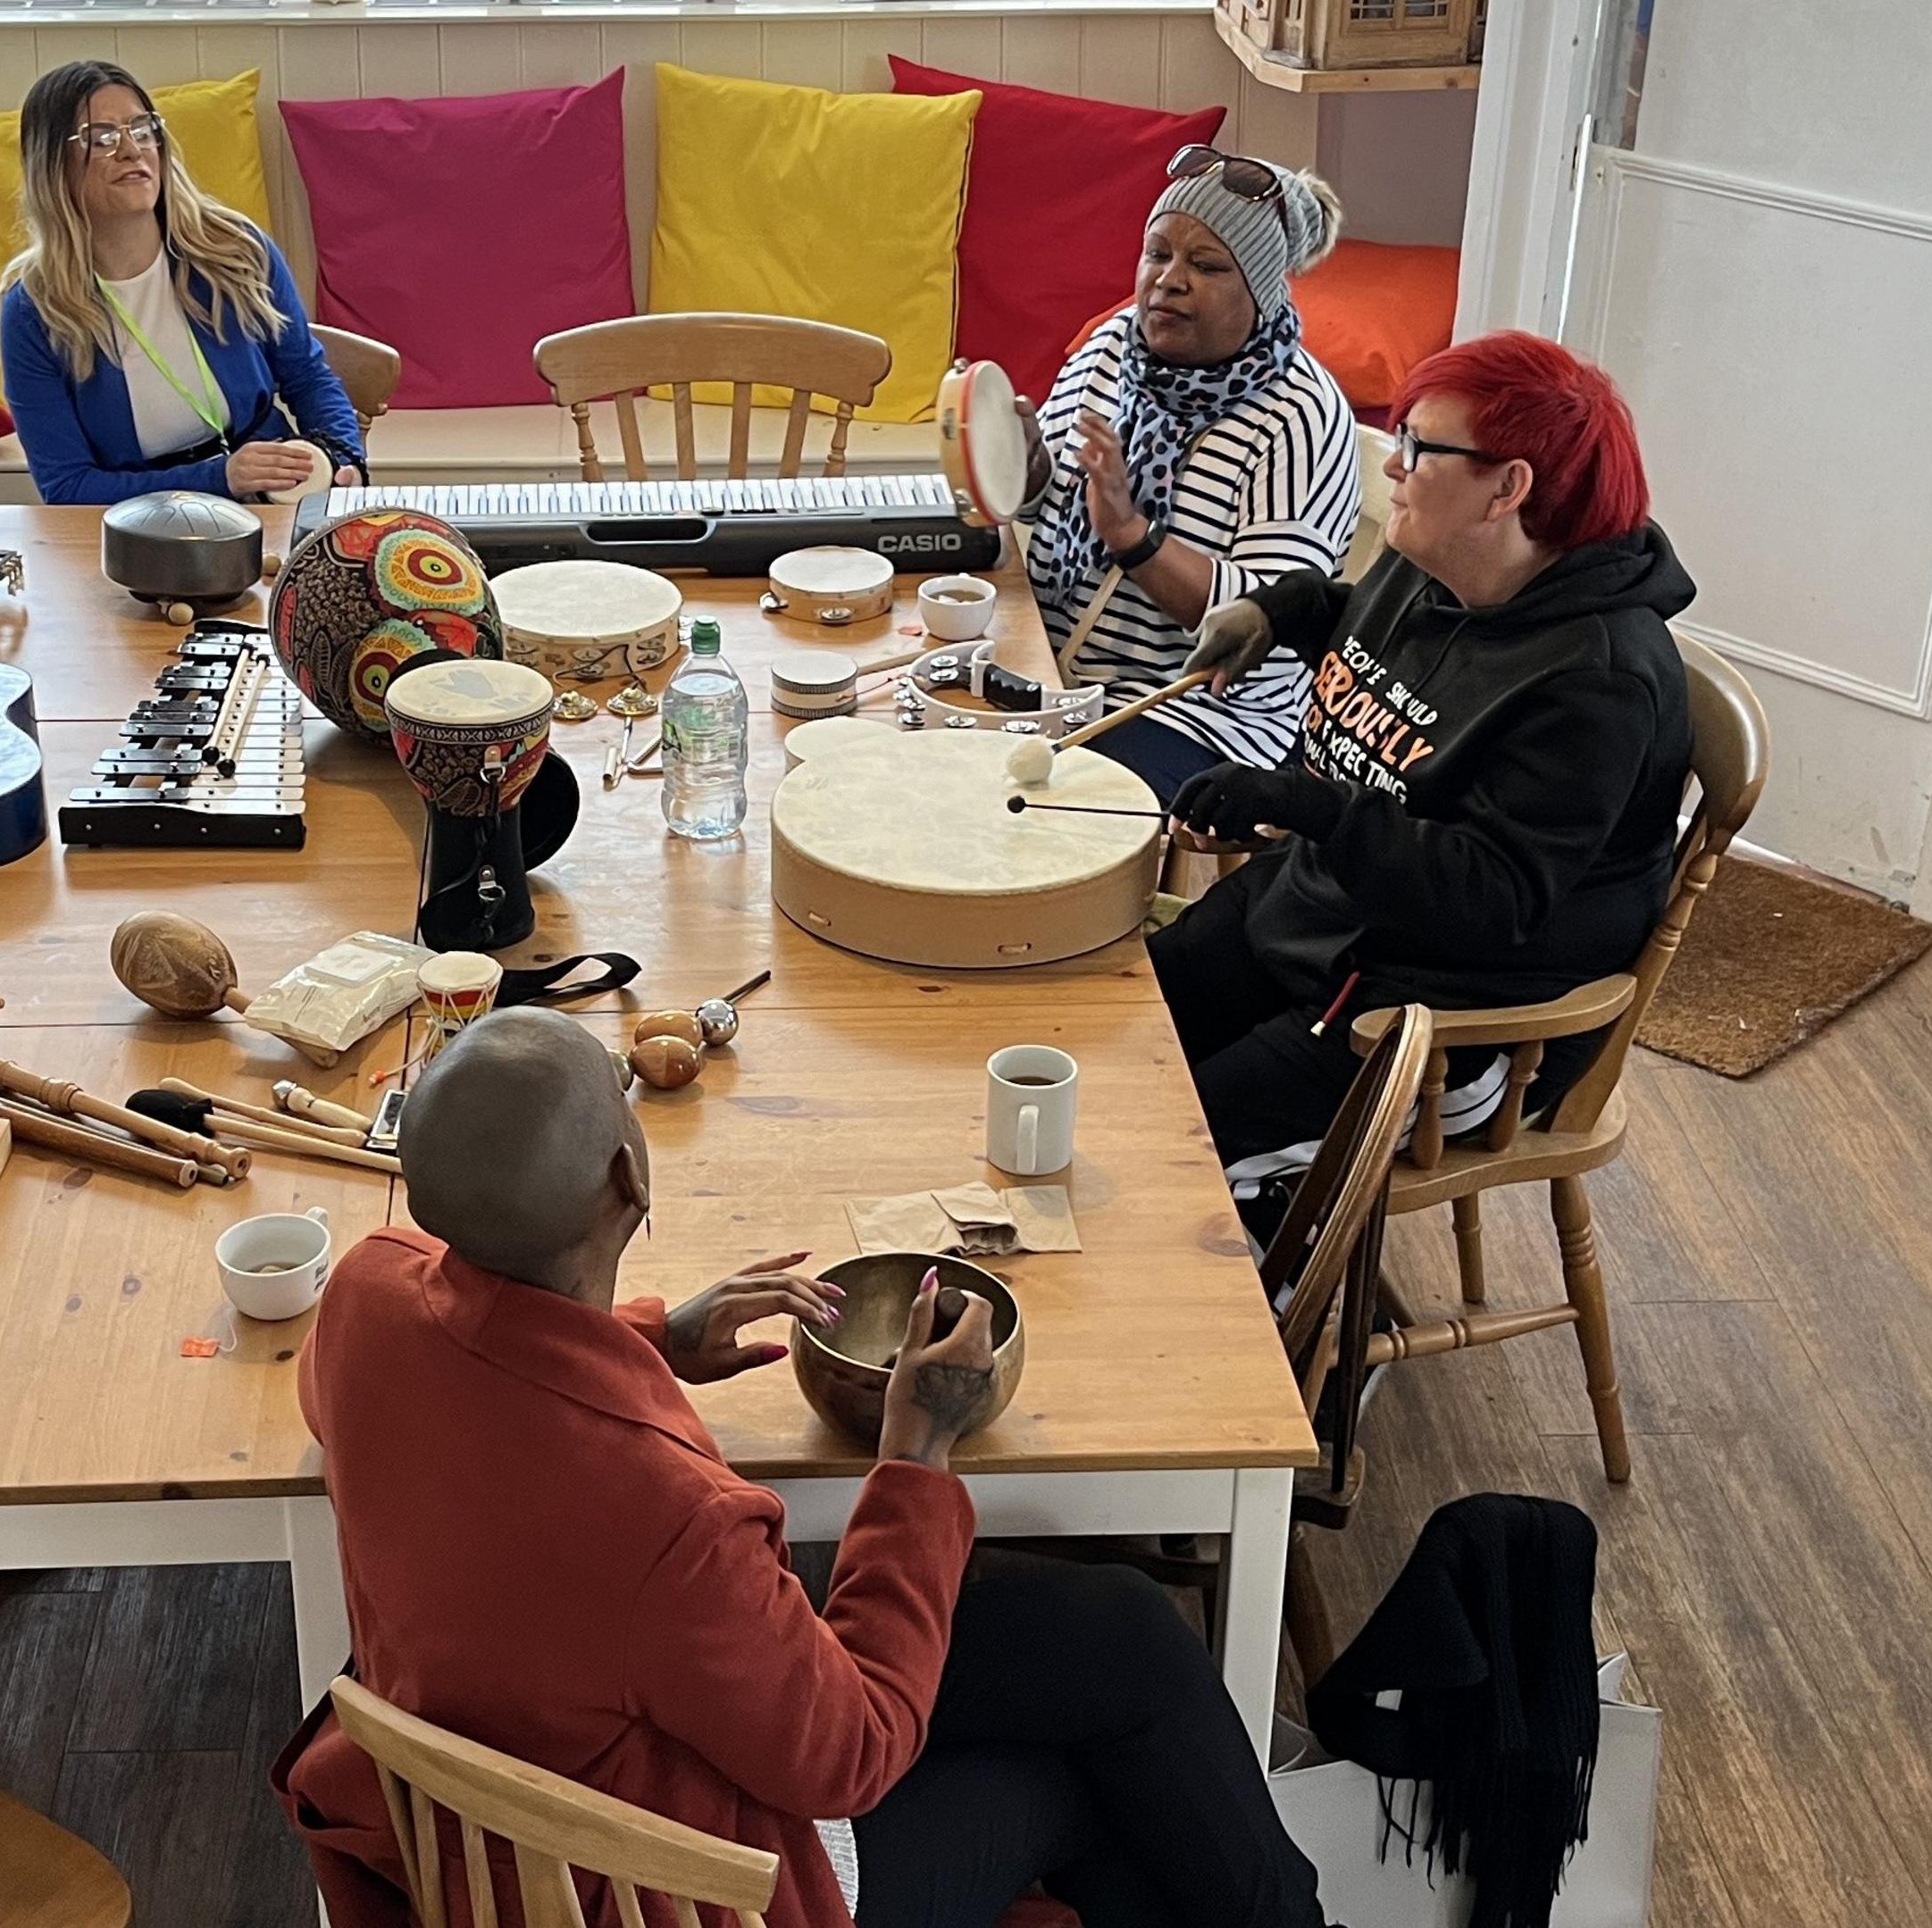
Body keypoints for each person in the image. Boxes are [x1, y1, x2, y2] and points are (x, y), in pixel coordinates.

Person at [279, 1007, 1331, 1928]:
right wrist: (916, 1453)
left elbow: (467, 1366)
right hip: (690, 1882)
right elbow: (853, 1751)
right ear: (628, 1172)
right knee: (1091, 1779)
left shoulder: (366, 1299)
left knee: (1121, 1631)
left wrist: (641, 1338)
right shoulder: (667, 1521)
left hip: (533, 1795)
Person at [1152, 330, 1694, 1174]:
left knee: (1167, 1156)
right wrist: (1283, 610)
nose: (1393, 466)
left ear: (1507, 489)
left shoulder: (1599, 682)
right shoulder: (1438, 563)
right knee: (1110, 1044)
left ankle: (1267, 1264)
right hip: (1322, 920)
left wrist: (1305, 804)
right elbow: (1389, 644)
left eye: (1418, 446)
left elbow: (1491, 894)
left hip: (1446, 1019)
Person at [1017, 145, 1360, 803]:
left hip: (1199, 713)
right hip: (1052, 663)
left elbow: (1263, 632)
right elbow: (1048, 509)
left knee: (1050, 810)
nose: (1168, 281)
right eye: (1158, 254)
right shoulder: (1116, 344)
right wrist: (1024, 462)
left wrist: (1132, 536)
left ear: (1260, 291)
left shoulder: (1301, 416)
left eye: (1206, 266)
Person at [0, 60, 367, 507]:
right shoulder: (34, 312)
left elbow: (308, 378)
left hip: (270, 501)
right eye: (102, 138)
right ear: (53, 163)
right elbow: (68, 488)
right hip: (140, 522)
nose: (132, 150)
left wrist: (344, 457)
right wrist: (219, 478)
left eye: (142, 128)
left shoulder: (235, 250)